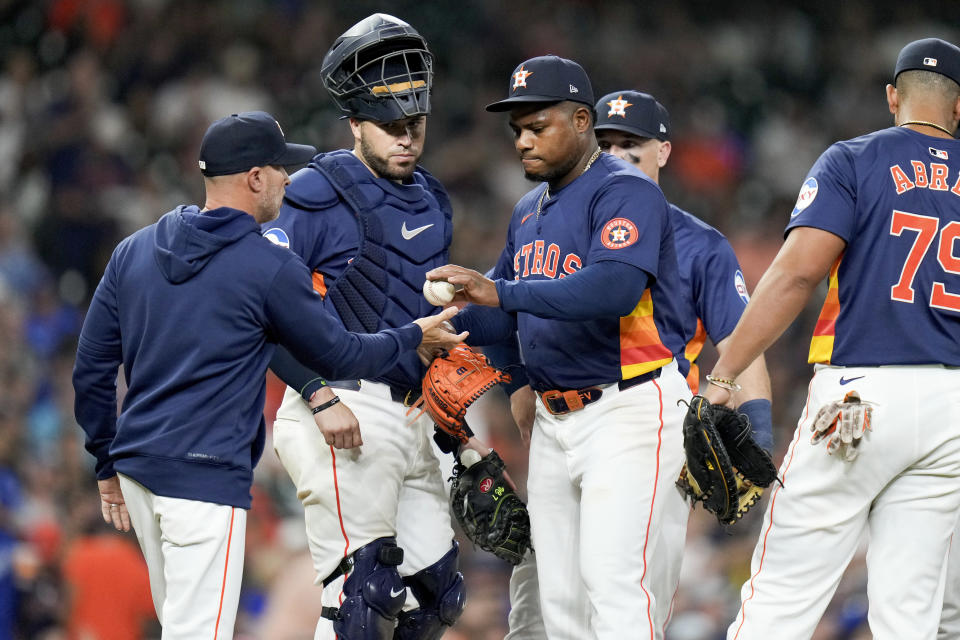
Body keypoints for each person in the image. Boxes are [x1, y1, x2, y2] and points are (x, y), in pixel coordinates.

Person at [72, 110, 464, 640]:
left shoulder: (135, 250)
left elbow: (92, 367)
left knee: (181, 626)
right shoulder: (266, 265)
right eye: (280, 169)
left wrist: (104, 460)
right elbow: (340, 354)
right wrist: (413, 334)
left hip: (139, 472)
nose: (288, 179)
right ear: (255, 178)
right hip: (205, 478)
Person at [699, 38, 960, 638]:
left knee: (784, 593)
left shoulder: (854, 159)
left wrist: (725, 372)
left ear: (893, 96)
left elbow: (795, 274)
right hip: (949, 405)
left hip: (861, 395)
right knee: (909, 612)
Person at [427, 55, 693, 640]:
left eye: (536, 125)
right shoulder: (529, 210)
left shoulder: (626, 191)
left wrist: (498, 293)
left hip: (628, 409)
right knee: (561, 603)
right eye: (516, 129)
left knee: (616, 586)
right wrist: (441, 328)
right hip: (553, 423)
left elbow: (615, 287)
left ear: (580, 121)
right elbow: (509, 313)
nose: (522, 140)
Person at [500, 89, 777, 640]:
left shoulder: (700, 244)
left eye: (633, 144)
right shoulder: (555, 216)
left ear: (664, 152)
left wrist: (761, 439)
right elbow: (520, 305)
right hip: (563, 421)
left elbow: (742, 346)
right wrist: (518, 378)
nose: (619, 155)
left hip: (643, 416)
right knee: (549, 604)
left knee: (625, 592)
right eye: (607, 143)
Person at [261, 14, 487, 640]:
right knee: (365, 597)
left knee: (435, 599)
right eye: (390, 126)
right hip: (339, 405)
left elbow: (427, 331)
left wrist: (457, 435)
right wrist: (316, 393)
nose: (407, 137)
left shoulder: (434, 200)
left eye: (415, 124)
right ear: (354, 123)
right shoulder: (313, 192)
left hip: (412, 414)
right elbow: (257, 308)